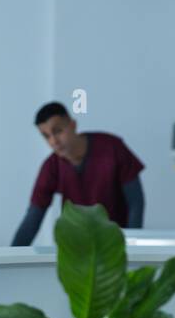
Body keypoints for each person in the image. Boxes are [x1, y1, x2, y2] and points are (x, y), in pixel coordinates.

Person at [11, 102, 145, 245]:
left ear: (73, 125)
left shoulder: (112, 148)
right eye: (46, 136)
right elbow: (33, 217)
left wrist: (131, 244)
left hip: (114, 245)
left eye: (57, 131)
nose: (53, 141)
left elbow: (136, 202)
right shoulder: (51, 166)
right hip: (75, 249)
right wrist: (11, 257)